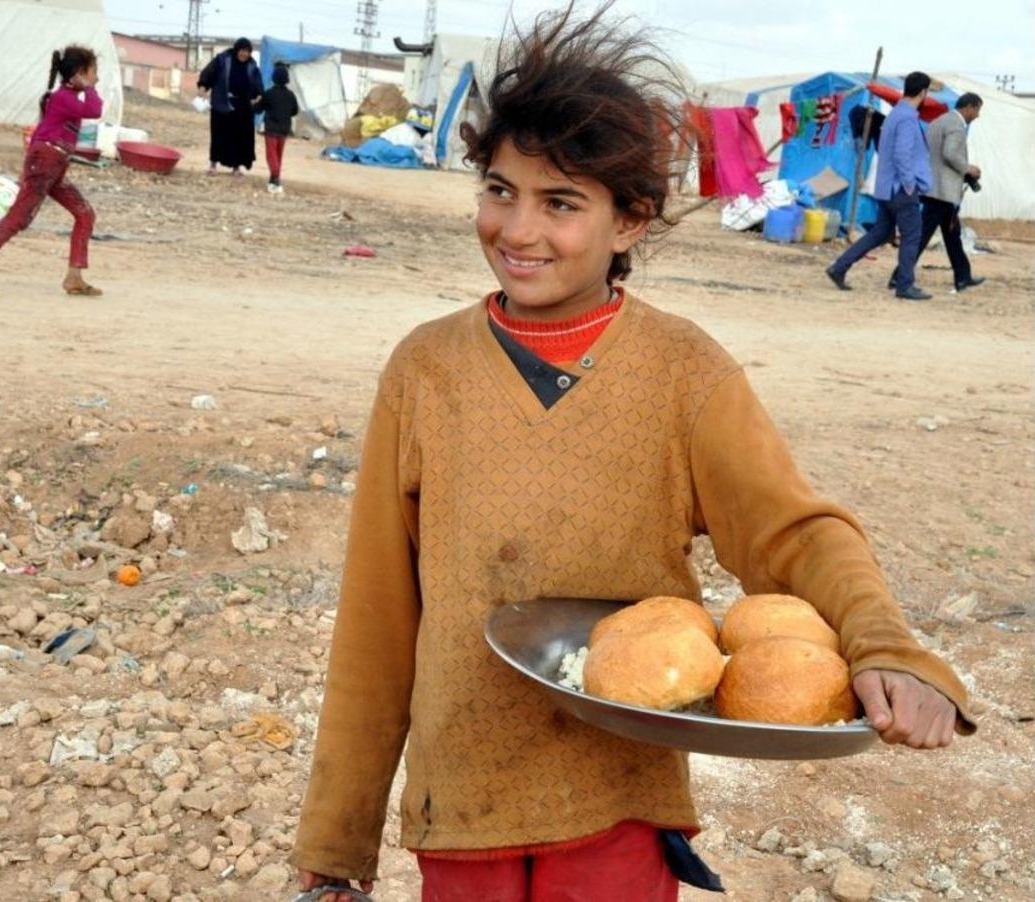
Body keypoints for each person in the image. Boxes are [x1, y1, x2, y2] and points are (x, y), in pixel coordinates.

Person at [290, 8, 974, 901]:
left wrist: (888, 648)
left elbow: (796, 533)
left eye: (561, 203)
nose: (518, 229)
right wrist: (336, 844)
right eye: (500, 191)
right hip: (461, 801)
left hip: (618, 803)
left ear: (630, 223)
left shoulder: (683, 372)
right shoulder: (426, 371)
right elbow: (377, 623)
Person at [0, 46, 102, 299]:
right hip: (46, 161)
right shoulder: (65, 98)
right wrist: (89, 87)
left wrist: (85, 84)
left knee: (84, 213)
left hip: (52, 163)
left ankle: (74, 276)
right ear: (79, 74)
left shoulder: (62, 96)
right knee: (17, 218)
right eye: (93, 72)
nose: (96, 78)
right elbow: (95, 110)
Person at [826, 72, 935, 301]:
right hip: (900, 189)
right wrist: (908, 185)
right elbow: (902, 155)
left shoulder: (895, 114)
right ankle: (904, 285)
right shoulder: (906, 118)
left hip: (886, 188)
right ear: (923, 92)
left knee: (880, 233)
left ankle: (839, 267)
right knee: (912, 235)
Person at [891, 93, 985, 293]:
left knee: (952, 235)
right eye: (977, 110)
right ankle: (899, 276)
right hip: (944, 192)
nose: (977, 115)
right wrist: (968, 168)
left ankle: (963, 276)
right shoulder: (956, 126)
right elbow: (950, 153)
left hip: (934, 187)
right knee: (924, 235)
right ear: (969, 107)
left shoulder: (938, 122)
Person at [197, 38, 263, 176]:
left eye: (247, 52)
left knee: (239, 138)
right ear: (237, 49)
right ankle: (213, 164)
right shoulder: (223, 59)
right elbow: (209, 72)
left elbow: (258, 84)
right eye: (242, 50)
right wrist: (203, 86)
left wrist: (258, 95)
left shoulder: (251, 65)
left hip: (242, 107)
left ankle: (236, 167)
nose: (244, 54)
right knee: (218, 135)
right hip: (222, 103)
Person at [261, 62, 299, 194]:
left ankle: (276, 178)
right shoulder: (291, 95)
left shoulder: (269, 93)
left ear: (274, 78)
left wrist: (253, 104)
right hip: (284, 130)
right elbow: (295, 111)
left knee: (271, 156)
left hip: (271, 129)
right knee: (278, 155)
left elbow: (259, 108)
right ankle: (273, 179)